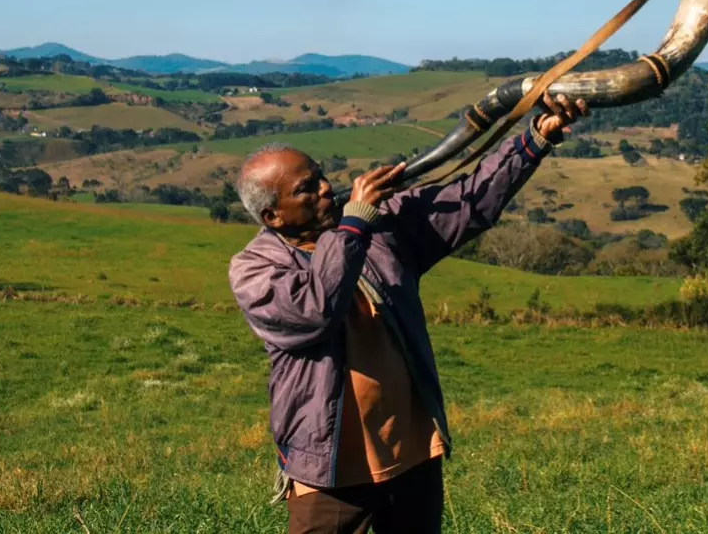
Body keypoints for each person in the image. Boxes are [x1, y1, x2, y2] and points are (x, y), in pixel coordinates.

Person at [228, 93, 589, 534]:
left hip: (412, 453)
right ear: (273, 216)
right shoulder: (255, 269)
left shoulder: (380, 228)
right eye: (306, 189)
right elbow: (318, 309)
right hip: (330, 471)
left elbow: (468, 203)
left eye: (320, 177)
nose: (325, 188)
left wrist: (533, 141)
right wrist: (355, 223)